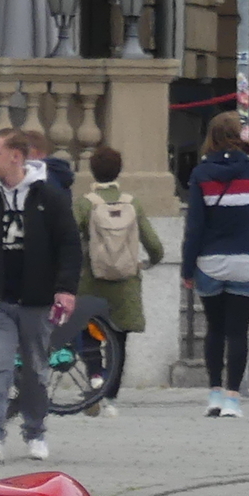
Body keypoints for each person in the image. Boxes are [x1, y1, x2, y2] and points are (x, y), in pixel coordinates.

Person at [0, 127, 82, 465]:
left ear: (16, 156)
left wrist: (65, 288)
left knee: (35, 368)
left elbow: (70, 246)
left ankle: (35, 431)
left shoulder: (50, 198)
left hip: (37, 298)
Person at [180, 110, 249, 418]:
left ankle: (213, 393)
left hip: (211, 260)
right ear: (241, 135)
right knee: (238, 332)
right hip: (247, 259)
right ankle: (233, 399)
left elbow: (194, 226)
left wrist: (187, 268)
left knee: (215, 329)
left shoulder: (201, 174)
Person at [71, 144, 163, 416]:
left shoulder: (85, 203)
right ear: (119, 170)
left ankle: (95, 377)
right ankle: (111, 398)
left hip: (92, 279)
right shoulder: (132, 202)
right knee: (119, 339)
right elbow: (155, 245)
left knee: (87, 331)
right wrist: (149, 263)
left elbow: (68, 239)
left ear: (92, 171)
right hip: (126, 281)